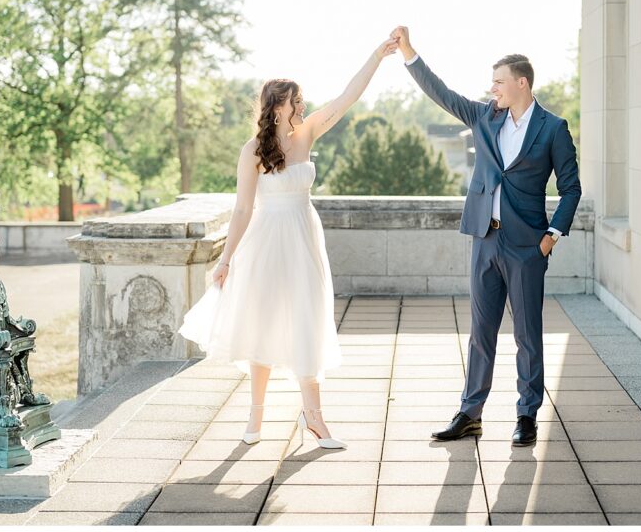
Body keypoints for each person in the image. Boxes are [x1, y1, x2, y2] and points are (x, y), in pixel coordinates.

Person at [179, 36, 400, 449]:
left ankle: (313, 417)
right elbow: (242, 209)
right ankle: (256, 416)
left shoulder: (307, 133)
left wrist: (377, 56)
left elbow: (347, 98)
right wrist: (225, 260)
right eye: (295, 100)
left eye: (301, 100)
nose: (302, 105)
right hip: (265, 242)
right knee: (261, 322)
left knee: (307, 319)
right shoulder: (252, 150)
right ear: (277, 106)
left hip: (303, 237)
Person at [391, 25, 581, 447]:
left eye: (498, 81)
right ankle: (470, 413)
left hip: (527, 246)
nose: (492, 88)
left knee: (527, 335)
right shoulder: (484, 116)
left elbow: (571, 188)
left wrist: (551, 236)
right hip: (484, 239)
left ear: (521, 83)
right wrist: (408, 52)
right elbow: (441, 93)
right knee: (481, 333)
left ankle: (526, 415)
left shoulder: (553, 128)